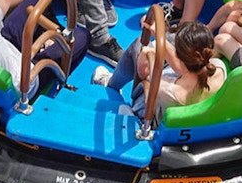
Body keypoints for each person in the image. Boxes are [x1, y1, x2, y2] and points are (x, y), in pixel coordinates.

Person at [92, 19, 227, 121]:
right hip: (187, 113)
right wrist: (160, 36)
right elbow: (186, 70)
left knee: (138, 45)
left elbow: (143, 73)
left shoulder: (165, 88)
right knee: (166, 40)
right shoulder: (220, 69)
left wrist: (145, 54)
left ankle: (111, 83)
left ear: (181, 57)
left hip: (150, 112)